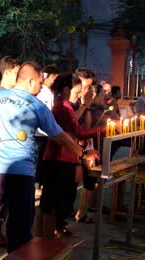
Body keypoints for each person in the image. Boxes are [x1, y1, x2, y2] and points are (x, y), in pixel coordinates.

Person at [0, 62, 99, 260]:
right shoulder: (36, 105)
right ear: (31, 80)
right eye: (40, 82)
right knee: (20, 222)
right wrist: (81, 153)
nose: (41, 87)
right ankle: (18, 259)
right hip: (22, 172)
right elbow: (59, 135)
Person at [38, 73, 98, 238]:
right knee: (51, 201)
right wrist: (106, 129)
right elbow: (78, 131)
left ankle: (49, 234)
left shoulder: (66, 106)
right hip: (58, 158)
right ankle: (45, 239)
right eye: (77, 92)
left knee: (58, 199)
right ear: (66, 90)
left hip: (65, 157)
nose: (79, 95)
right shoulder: (63, 107)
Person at [34, 64, 59, 189]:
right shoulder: (42, 91)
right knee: (39, 159)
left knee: (42, 158)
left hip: (45, 132)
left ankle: (40, 181)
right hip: (40, 132)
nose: (54, 81)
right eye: (54, 78)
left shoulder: (49, 91)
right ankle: (37, 182)